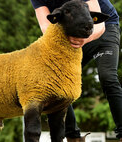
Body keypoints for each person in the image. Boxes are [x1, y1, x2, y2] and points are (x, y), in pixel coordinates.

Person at [30, 0, 122, 141]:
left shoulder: (100, 24)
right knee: (56, 82)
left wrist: (83, 41)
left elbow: (99, 24)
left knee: (107, 77)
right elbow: (46, 26)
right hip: (72, 34)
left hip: (104, 28)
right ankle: (73, 137)